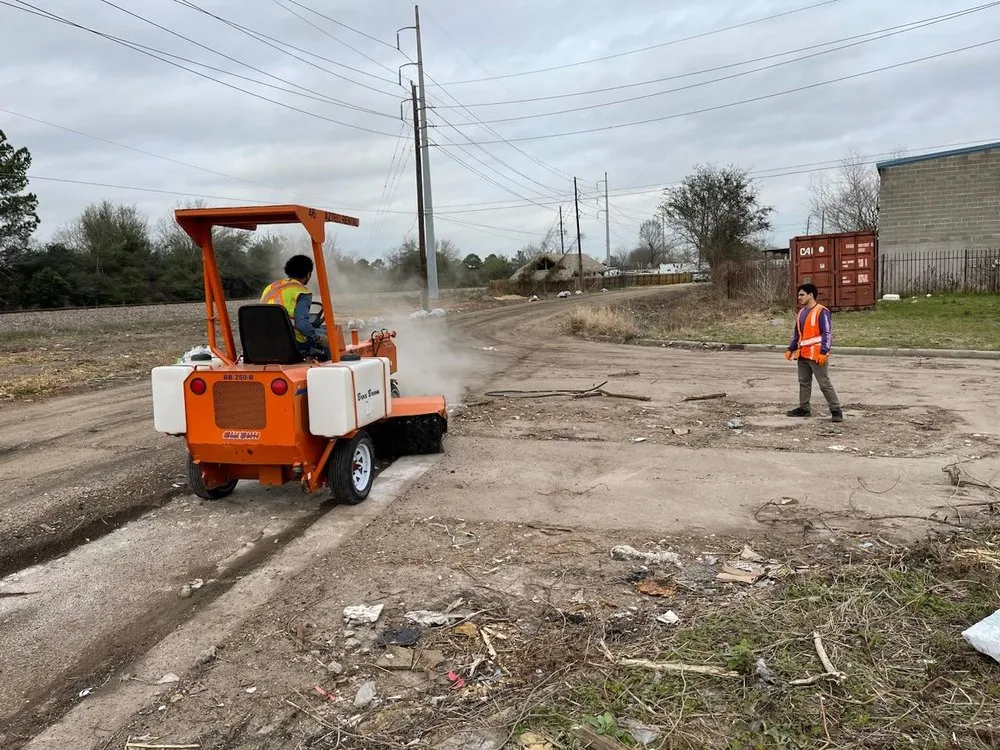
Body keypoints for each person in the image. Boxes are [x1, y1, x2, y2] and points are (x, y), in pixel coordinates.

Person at [785, 283, 843, 423]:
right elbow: (797, 334)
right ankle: (804, 408)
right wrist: (791, 348)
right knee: (804, 382)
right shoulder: (801, 313)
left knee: (824, 383)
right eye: (799, 295)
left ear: (811, 295)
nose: (799, 297)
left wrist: (824, 352)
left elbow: (827, 334)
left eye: (802, 294)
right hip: (803, 355)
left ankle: (836, 410)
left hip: (817, 355)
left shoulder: (822, 311)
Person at [260, 255, 330, 360]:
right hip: (292, 341)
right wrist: (318, 338)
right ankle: (328, 368)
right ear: (308, 274)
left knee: (318, 330)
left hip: (265, 339)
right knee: (326, 335)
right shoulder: (302, 292)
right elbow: (302, 325)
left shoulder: (270, 287)